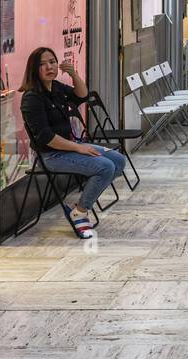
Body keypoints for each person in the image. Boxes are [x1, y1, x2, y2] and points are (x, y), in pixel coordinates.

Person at [18, 46, 124, 239]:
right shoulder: (31, 98)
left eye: (52, 61)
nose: (49, 67)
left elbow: (81, 96)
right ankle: (81, 211)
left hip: (70, 147)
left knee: (118, 160)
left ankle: (81, 204)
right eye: (42, 64)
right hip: (51, 155)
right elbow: (46, 138)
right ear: (34, 69)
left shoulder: (56, 87)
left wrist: (73, 74)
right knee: (105, 167)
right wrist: (79, 148)